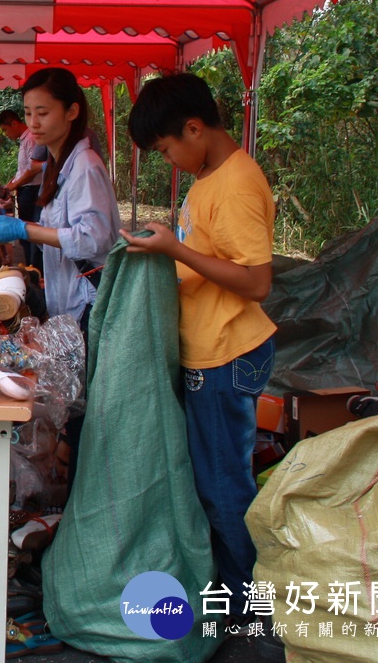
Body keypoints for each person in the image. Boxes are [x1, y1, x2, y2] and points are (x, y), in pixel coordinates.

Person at [122, 72, 276, 620]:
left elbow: (257, 281)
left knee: (222, 483)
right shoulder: (210, 176)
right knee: (215, 477)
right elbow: (211, 249)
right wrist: (170, 245)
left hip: (226, 353)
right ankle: (236, 588)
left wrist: (179, 254)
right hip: (212, 347)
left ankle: (254, 602)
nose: (168, 160)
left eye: (167, 149)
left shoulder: (235, 183)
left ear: (194, 128)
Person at [0, 68, 121, 329]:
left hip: (89, 304)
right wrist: (14, 227)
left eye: (43, 113)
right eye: (28, 113)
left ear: (71, 112)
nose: (33, 123)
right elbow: (60, 233)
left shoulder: (85, 166)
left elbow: (93, 239)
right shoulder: (57, 165)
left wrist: (24, 229)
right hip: (68, 299)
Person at [0, 109, 47, 268]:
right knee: (26, 231)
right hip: (26, 190)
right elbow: (24, 169)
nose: (6, 134)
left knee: (30, 231)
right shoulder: (25, 140)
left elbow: (33, 169)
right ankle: (30, 266)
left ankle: (35, 268)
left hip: (33, 191)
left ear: (14, 123)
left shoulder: (31, 138)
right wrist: (12, 182)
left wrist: (14, 185)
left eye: (5, 129)